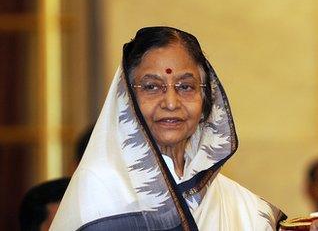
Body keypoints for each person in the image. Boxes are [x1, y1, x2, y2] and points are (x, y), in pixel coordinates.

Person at [51, 27, 285, 230]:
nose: (171, 103)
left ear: (205, 100)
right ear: (127, 99)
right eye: (152, 86)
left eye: (186, 86)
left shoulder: (235, 202)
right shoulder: (102, 186)